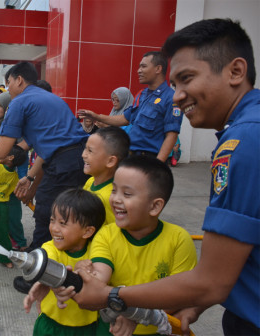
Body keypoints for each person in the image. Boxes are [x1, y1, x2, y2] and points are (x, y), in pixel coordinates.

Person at [70, 19, 260, 335]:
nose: (177, 96)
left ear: (236, 72)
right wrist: (199, 300)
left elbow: (210, 280)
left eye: (187, 79)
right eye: (174, 84)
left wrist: (113, 296)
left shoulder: (242, 144)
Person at [0, 62, 89, 251]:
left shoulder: (20, 102)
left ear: (19, 80)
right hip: (83, 160)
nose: (8, 88)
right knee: (73, 213)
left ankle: (40, 266)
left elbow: (1, 151)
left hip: (63, 164)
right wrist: (31, 180)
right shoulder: (53, 99)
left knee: (46, 213)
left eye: (8, 83)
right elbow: (49, 150)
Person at [79, 156, 198, 335]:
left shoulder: (179, 240)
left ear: (155, 206)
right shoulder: (106, 235)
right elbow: (100, 278)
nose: (116, 199)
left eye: (127, 194)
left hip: (158, 330)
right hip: (113, 329)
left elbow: (179, 296)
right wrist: (83, 273)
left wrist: (135, 314)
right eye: (114, 190)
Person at [23, 188, 106, 336]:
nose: (54, 228)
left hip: (85, 329)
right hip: (49, 325)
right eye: (52, 220)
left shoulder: (98, 255)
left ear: (87, 231)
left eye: (63, 223)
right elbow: (48, 266)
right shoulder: (50, 248)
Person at [78, 52, 183, 162]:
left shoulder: (171, 98)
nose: (139, 70)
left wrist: (158, 165)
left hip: (149, 159)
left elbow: (172, 135)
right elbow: (125, 119)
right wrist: (96, 116)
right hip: (131, 156)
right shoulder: (142, 95)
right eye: (139, 67)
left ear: (158, 69)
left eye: (143, 66)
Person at [82, 126, 130, 226]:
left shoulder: (111, 198)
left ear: (110, 161)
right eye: (85, 149)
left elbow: (115, 231)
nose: (83, 155)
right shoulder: (90, 181)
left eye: (90, 151)